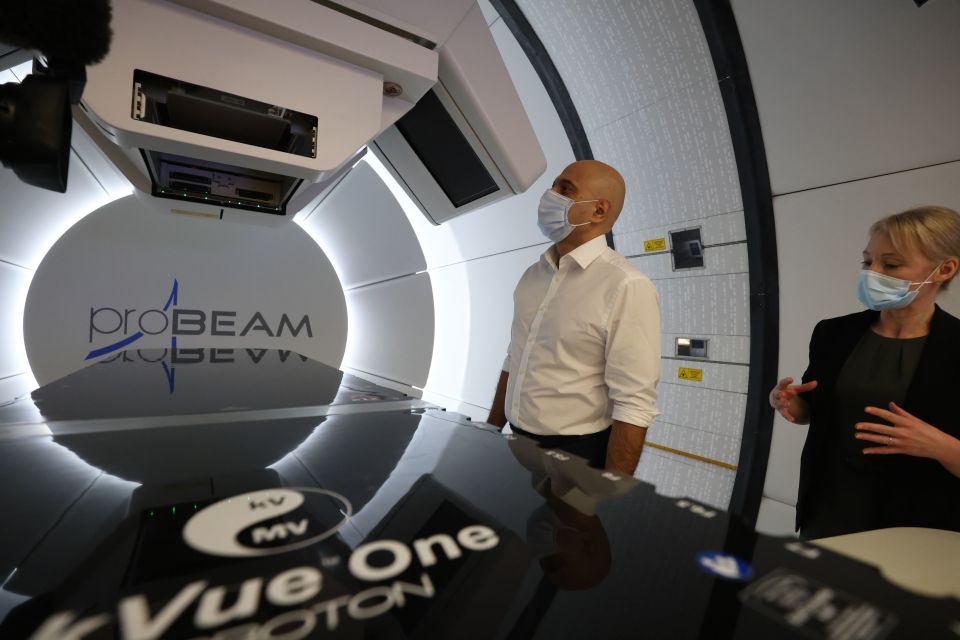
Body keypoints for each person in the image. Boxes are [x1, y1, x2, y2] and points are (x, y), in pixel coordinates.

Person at [771, 205, 960, 539]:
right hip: (828, 510)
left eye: (890, 264)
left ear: (944, 269)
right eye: (867, 261)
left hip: (917, 525)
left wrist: (938, 445)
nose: (872, 273)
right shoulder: (833, 333)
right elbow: (813, 413)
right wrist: (788, 402)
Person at [487, 160, 660, 475]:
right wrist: (488, 434)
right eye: (553, 185)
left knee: (571, 526)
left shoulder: (626, 285)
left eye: (565, 189)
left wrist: (610, 492)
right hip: (517, 440)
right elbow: (515, 359)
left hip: (577, 455)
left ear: (598, 211)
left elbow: (634, 404)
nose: (550, 194)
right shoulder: (533, 275)